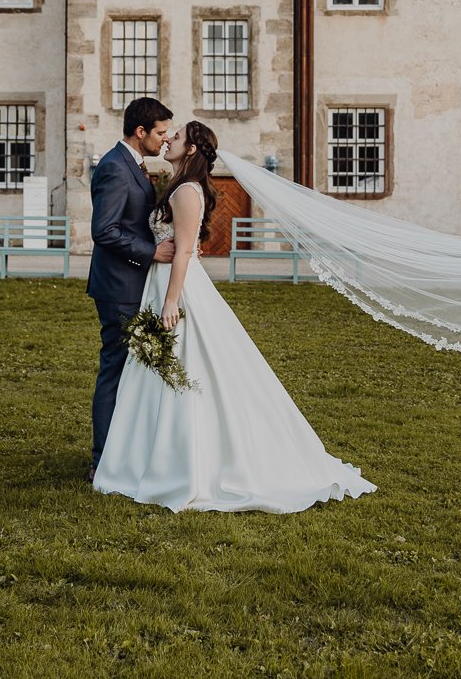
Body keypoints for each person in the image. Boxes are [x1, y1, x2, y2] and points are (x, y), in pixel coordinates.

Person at [92, 120, 375, 513]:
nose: (169, 139)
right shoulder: (177, 186)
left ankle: (184, 461)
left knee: (185, 365)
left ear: (191, 150)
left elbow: (185, 252)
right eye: (167, 134)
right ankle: (143, 455)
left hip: (176, 288)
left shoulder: (188, 191)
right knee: (157, 370)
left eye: (176, 137)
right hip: (158, 283)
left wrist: (171, 301)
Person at [86, 96, 177, 479]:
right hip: (118, 287)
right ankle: (103, 460)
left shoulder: (134, 165)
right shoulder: (114, 167)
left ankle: (125, 452)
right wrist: (151, 252)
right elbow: (104, 230)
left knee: (129, 372)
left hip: (131, 283)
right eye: (159, 133)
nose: (165, 139)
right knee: (115, 370)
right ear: (140, 132)